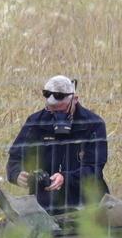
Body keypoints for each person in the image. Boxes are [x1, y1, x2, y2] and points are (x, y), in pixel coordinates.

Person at [6, 75, 114, 228]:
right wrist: (17, 175)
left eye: (61, 110)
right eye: (51, 110)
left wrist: (65, 178)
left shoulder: (93, 124)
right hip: (45, 205)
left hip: (84, 202)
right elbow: (15, 157)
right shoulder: (36, 122)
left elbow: (94, 168)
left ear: (74, 99)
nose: (57, 115)